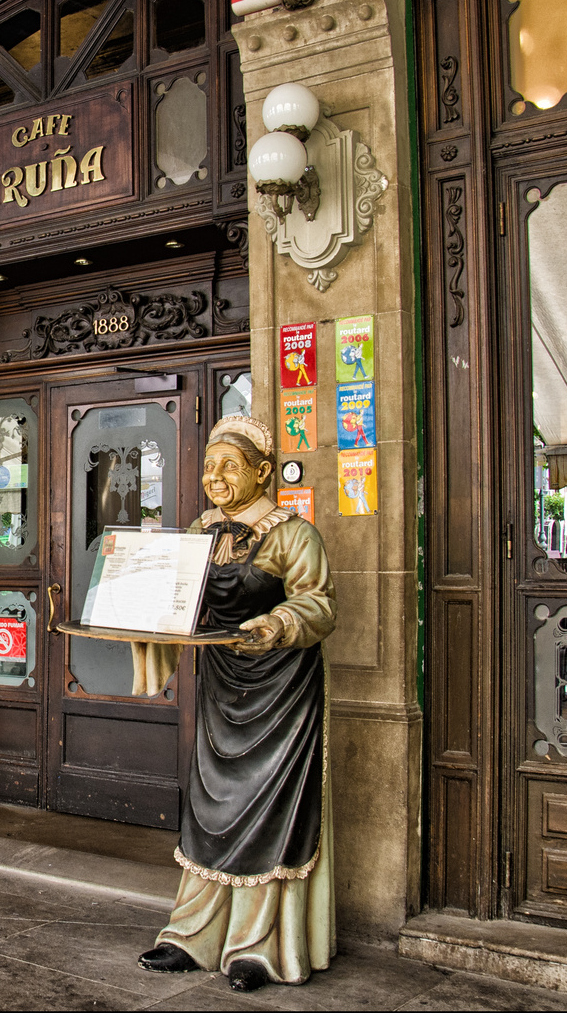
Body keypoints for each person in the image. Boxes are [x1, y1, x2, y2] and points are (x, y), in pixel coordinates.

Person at [136, 414, 337, 991]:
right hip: (222, 687)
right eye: (208, 466)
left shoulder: (294, 535)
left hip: (282, 695)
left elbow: (320, 605)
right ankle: (192, 935)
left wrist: (276, 624)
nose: (214, 478)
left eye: (229, 466)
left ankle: (258, 947)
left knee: (271, 815)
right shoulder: (200, 530)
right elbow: (180, 598)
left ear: (263, 472)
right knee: (210, 812)